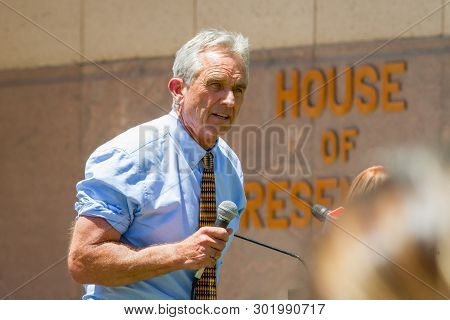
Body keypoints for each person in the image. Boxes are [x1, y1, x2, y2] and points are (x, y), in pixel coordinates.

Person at [68, 29, 249, 300]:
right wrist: (179, 254)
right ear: (178, 89)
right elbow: (84, 261)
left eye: (238, 89)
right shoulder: (130, 155)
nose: (230, 100)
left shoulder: (229, 165)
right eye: (215, 85)